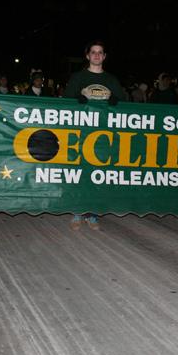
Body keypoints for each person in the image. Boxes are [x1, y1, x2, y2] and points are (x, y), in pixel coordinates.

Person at [64, 40, 126, 230]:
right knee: (79, 172)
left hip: (102, 137)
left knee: (98, 174)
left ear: (104, 56)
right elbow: (63, 104)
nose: (97, 55)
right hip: (81, 135)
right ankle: (77, 211)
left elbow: (125, 108)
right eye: (93, 52)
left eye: (100, 52)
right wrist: (75, 100)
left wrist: (118, 101)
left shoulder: (112, 81)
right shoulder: (78, 78)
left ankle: (91, 213)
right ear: (88, 56)